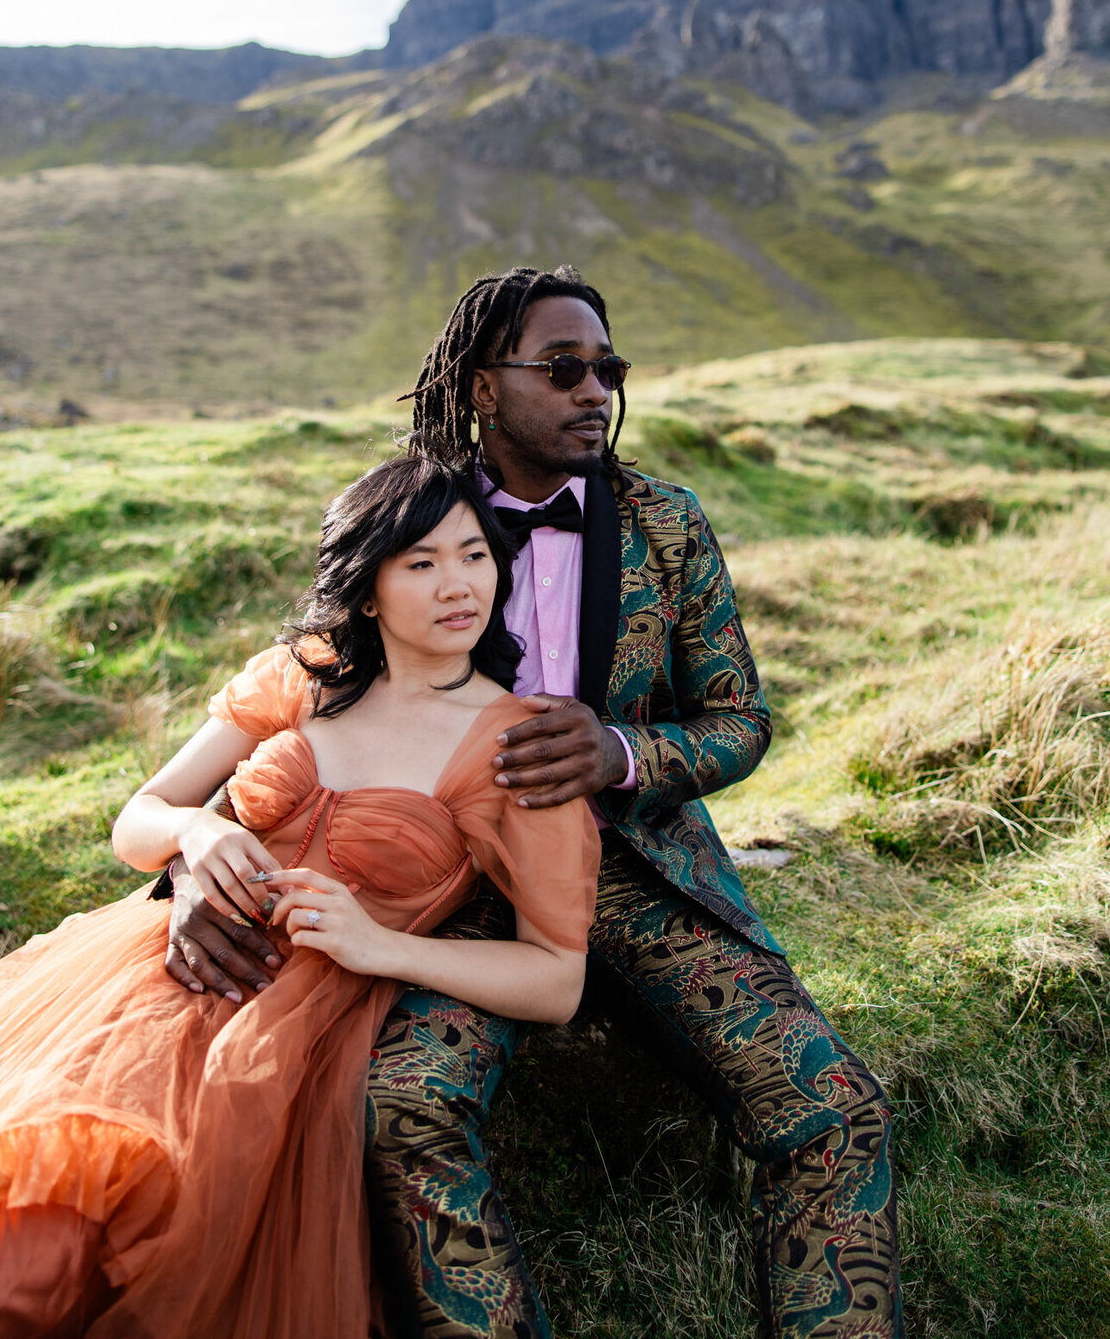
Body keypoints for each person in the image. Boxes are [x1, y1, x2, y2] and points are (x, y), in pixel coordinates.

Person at [165, 265, 903, 1339]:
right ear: (480, 386)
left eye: (608, 368)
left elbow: (741, 719)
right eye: (563, 369)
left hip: (642, 879)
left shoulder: (668, 521)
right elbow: (309, 706)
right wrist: (191, 857)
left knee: (838, 1110)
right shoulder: (421, 517)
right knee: (406, 1103)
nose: (594, 389)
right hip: (451, 896)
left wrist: (620, 752)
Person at [0, 455, 599, 1339]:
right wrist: (196, 834)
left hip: (298, 1030)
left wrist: (383, 949)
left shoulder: (516, 748)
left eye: (474, 556)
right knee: (8, 1221)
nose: (458, 586)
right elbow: (137, 819)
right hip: (150, 978)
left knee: (86, 1264)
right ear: (368, 589)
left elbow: (557, 977)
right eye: (421, 563)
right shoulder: (302, 676)